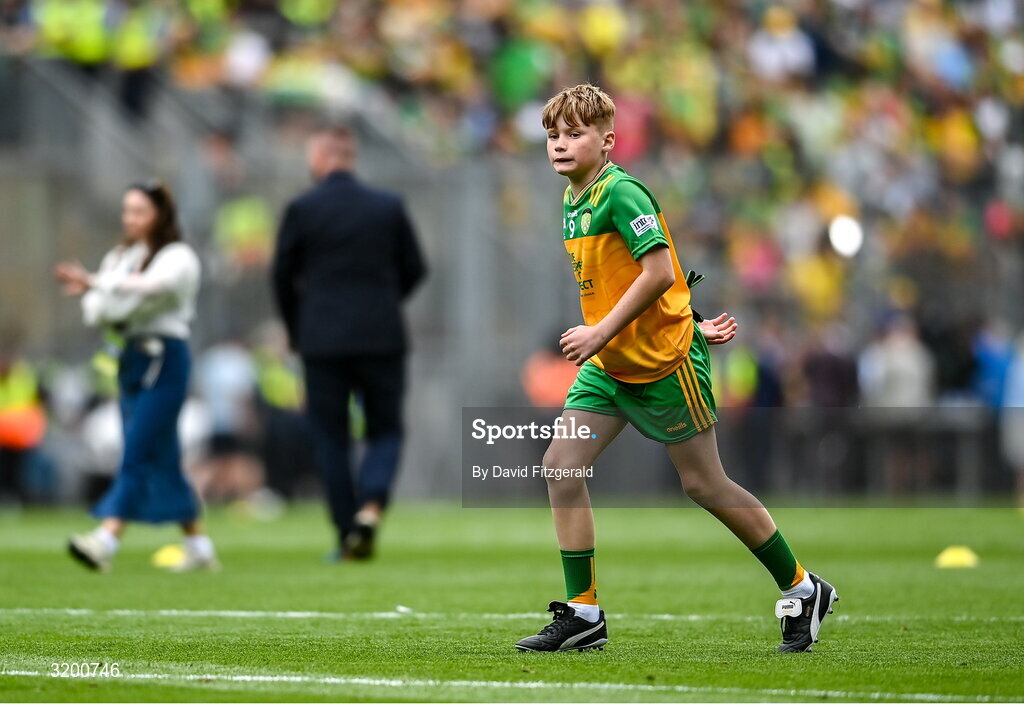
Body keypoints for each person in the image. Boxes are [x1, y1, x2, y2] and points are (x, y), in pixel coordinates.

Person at [514, 84, 837, 653]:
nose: (560, 145)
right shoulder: (573, 201)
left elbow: (661, 271)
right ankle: (584, 612)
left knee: (704, 484)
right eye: (553, 135)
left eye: (575, 134)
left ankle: (802, 585)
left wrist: (617, 331)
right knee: (561, 468)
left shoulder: (622, 192)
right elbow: (641, 281)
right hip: (611, 366)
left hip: (663, 365)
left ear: (608, 140)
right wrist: (682, 320)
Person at [271, 126, 427, 561]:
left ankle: (345, 533)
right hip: (382, 336)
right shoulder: (388, 206)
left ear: (320, 157)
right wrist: (383, 301)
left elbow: (282, 277)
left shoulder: (302, 208)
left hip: (321, 341)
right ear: (350, 157)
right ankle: (371, 508)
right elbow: (415, 267)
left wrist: (297, 326)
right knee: (385, 429)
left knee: (329, 437)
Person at [54, 179, 218, 573]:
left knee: (139, 448)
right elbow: (97, 310)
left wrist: (100, 285)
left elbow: (151, 287)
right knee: (160, 454)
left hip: (165, 360)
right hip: (131, 358)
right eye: (127, 210)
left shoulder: (179, 256)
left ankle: (105, 539)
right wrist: (109, 291)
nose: (131, 218)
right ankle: (198, 544)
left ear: (161, 215)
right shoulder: (120, 257)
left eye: (140, 210)